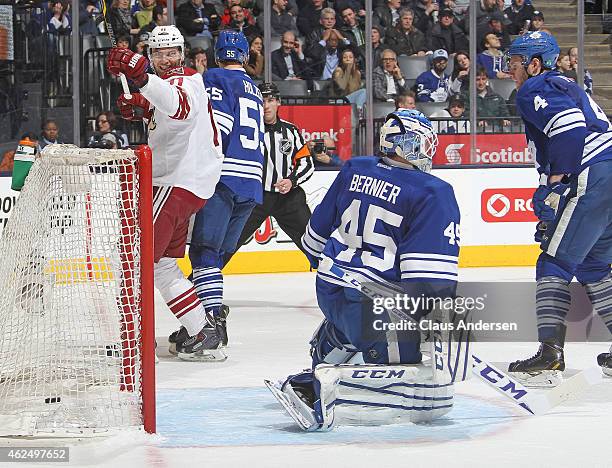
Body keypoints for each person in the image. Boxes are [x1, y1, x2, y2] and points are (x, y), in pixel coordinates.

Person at [268, 110, 461, 431]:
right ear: (407, 145)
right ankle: (328, 385)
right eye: (423, 144)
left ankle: (329, 349)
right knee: (417, 386)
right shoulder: (433, 192)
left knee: (353, 322)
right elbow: (428, 277)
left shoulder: (355, 168)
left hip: (329, 288)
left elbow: (314, 236)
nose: (428, 152)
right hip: (376, 305)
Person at [107, 25, 224, 360]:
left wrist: (141, 77)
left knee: (136, 260)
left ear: (182, 54)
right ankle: (202, 331)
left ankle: (133, 339)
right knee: (163, 267)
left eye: (171, 52)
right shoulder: (172, 84)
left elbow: (179, 107)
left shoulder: (183, 83)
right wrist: (141, 107)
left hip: (174, 183)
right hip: (189, 186)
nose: (166, 59)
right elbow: (167, 116)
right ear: (152, 55)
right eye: (158, 54)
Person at [505, 31, 612, 384]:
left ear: (535, 64)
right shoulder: (564, 84)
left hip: (593, 175)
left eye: (516, 62)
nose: (511, 69)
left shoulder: (534, 89)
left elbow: (569, 128)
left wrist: (555, 186)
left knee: (553, 260)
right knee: (594, 265)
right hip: (606, 172)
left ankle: (550, 354)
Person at [187, 30, 264, 349]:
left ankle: (211, 325)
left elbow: (217, 127)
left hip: (224, 178)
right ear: (245, 57)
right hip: (252, 184)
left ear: (218, 55)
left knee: (204, 253)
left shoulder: (215, 77)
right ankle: (199, 319)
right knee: (216, 257)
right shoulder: (256, 89)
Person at [227, 82, 314, 263]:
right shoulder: (246, 131)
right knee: (229, 244)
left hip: (289, 199)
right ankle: (198, 282)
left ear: (278, 102)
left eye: (270, 100)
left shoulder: (291, 131)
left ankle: (336, 282)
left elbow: (306, 163)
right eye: (262, 101)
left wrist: (292, 180)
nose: (266, 106)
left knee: (314, 244)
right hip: (255, 199)